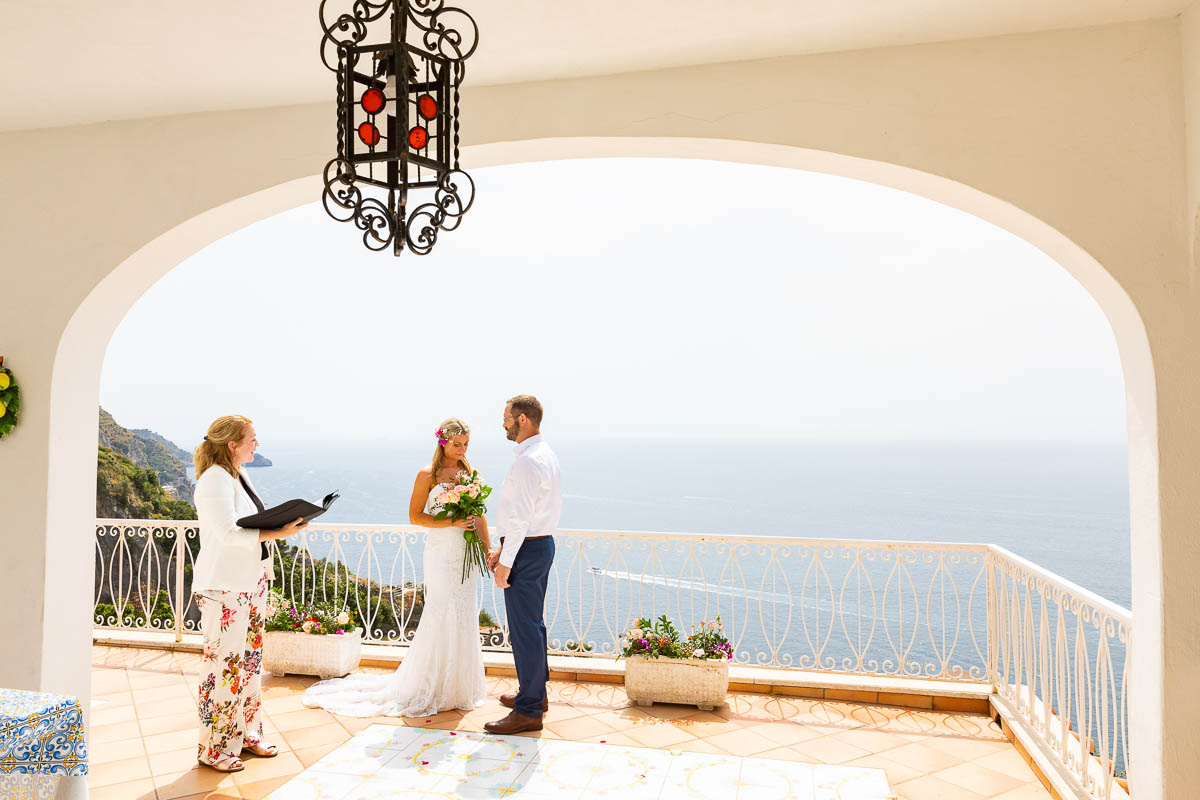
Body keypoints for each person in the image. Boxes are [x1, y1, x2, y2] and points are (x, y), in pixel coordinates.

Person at [302, 417, 490, 717]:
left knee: (465, 611)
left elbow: (479, 514)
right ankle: (430, 684)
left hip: (465, 551)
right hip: (441, 552)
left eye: (466, 444)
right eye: (457, 444)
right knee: (440, 609)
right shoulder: (427, 475)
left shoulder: (470, 472)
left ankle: (459, 687)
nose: (462, 450)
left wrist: (488, 547)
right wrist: (451, 521)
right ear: (443, 442)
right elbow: (415, 517)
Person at [192, 415, 306, 773]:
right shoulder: (214, 480)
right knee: (222, 668)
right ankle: (213, 747)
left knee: (249, 666)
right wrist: (278, 534)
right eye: (252, 439)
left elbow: (248, 523)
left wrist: (282, 524)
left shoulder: (238, 476)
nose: (257, 445)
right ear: (232, 444)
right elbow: (227, 533)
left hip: (249, 583)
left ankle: (245, 735)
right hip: (223, 587)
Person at [484, 395, 562, 734]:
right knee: (534, 625)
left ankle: (529, 710)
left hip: (527, 551)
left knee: (525, 630)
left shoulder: (528, 462)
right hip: (539, 545)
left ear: (523, 420)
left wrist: (505, 562)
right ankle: (535, 694)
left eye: (507, 418)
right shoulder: (544, 454)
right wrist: (505, 551)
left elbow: (518, 520)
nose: (503, 424)